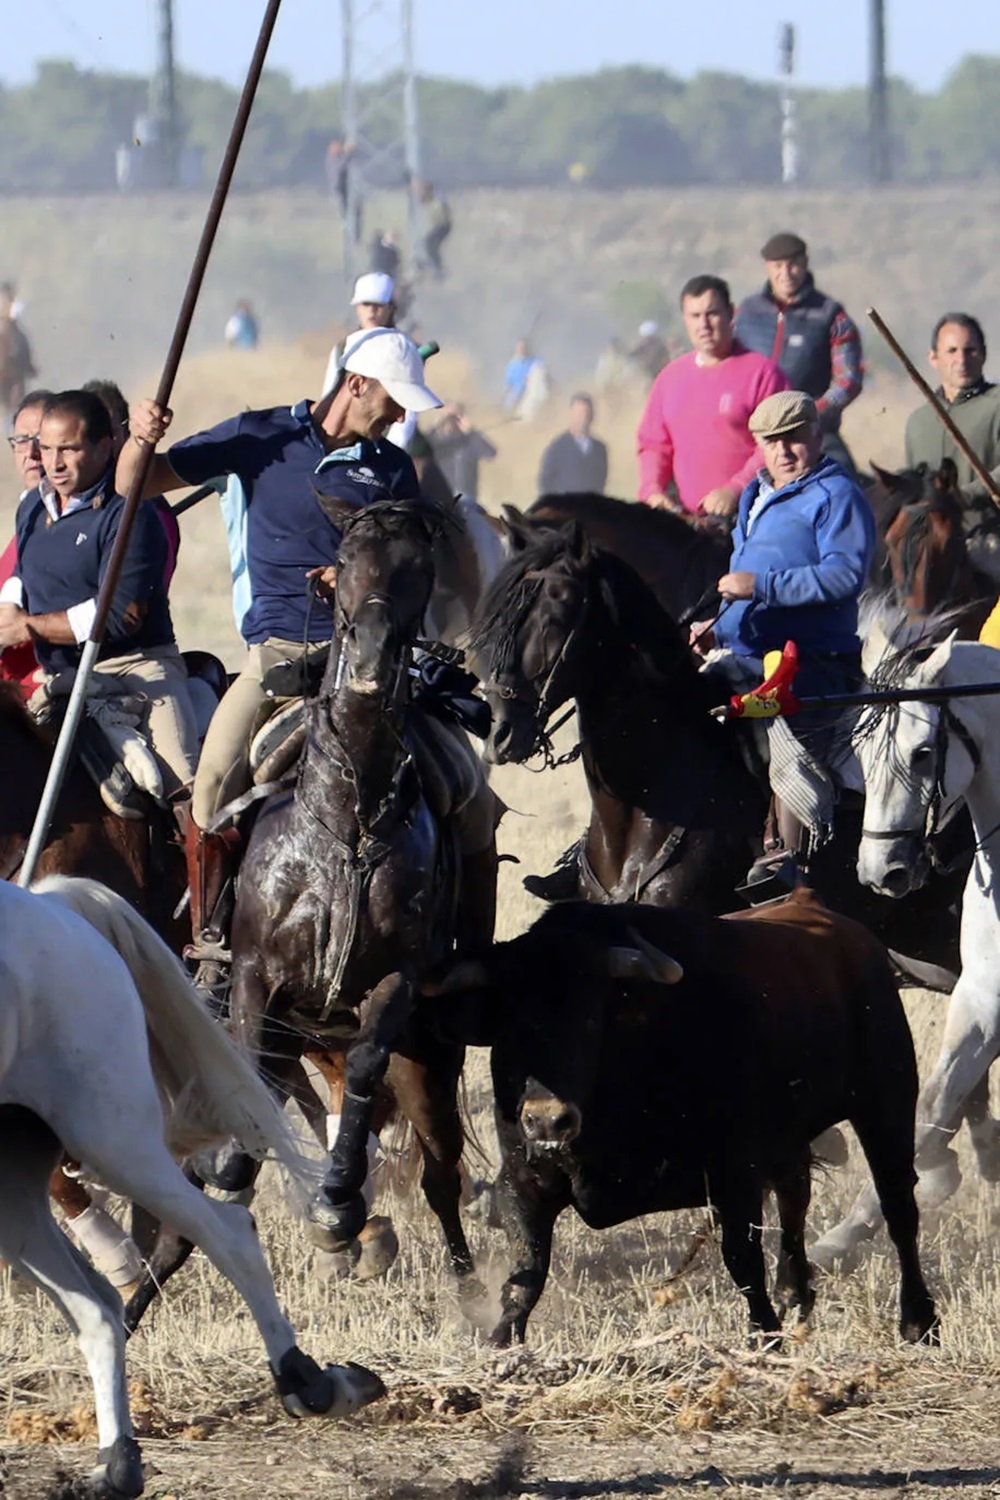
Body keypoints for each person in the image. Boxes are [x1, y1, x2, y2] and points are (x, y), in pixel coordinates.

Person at [118, 327, 498, 963]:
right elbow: (139, 482)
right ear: (355, 385)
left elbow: (412, 561)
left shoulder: (393, 467)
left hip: (376, 661)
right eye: (392, 400)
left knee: (477, 798)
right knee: (210, 789)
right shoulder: (259, 437)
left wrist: (357, 576)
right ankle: (214, 943)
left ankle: (472, 961)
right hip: (279, 657)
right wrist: (139, 436)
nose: (401, 415)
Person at [690, 390, 876, 893]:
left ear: (817, 435)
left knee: (783, 732)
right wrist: (714, 630)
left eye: (794, 437)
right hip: (744, 653)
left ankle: (786, 865)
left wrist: (763, 585)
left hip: (815, 660)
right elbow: (738, 585)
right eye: (772, 441)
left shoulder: (837, 496)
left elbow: (844, 576)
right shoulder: (754, 494)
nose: (783, 450)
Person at [0, 389, 199, 813]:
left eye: (69, 449)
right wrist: (8, 610)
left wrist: (28, 627)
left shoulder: (132, 514)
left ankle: (206, 874)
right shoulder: (33, 507)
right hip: (60, 678)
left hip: (137, 670)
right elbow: (22, 572)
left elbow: (118, 616)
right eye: (46, 448)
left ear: (107, 445)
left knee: (185, 794)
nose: (53, 463)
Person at [637, 275, 788, 521]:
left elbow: (776, 443)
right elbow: (654, 445)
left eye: (712, 314)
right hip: (686, 525)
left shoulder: (762, 374)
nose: (703, 325)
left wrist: (736, 489)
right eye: (695, 316)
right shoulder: (669, 378)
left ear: (730, 313)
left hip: (754, 518)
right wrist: (652, 491)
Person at [735, 233, 863, 473]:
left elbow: (848, 380)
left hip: (813, 435)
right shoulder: (744, 315)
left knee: (846, 486)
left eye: (793, 264)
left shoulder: (831, 316)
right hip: (749, 434)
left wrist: (809, 415)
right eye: (778, 266)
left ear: (805, 264)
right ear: (767, 267)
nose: (786, 272)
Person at [904, 313, 1000, 576]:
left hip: (988, 543)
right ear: (933, 357)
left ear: (983, 355)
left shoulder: (997, 404)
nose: (961, 360)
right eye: (952, 351)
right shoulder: (918, 421)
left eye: (970, 351)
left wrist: (966, 496)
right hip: (933, 548)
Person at [1, 389, 53, 696]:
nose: (31, 452)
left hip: (39, 681)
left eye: (40, 439)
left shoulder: (74, 520)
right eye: (21, 440)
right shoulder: (27, 513)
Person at [538, 394, 609, 495]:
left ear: (592, 416)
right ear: (571, 414)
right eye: (578, 414)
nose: (582, 418)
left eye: (586, 413)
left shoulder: (599, 449)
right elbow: (545, 483)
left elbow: (601, 481)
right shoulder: (557, 448)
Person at [430, 403, 497, 501]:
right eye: (449, 418)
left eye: (456, 418)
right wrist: (438, 425)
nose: (452, 422)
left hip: (465, 497)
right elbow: (424, 448)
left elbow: (490, 453)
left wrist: (471, 431)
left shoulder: (469, 440)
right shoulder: (435, 440)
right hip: (440, 494)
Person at [503, 338, 549, 420]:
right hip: (516, 398)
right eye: (519, 348)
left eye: (523, 347)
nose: (521, 350)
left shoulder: (535, 362)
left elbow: (539, 376)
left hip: (531, 397)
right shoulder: (512, 365)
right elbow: (509, 385)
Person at [415, 179, 451, 279]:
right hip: (439, 225)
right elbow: (420, 195)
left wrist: (433, 189)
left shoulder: (437, 200)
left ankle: (437, 266)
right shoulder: (426, 201)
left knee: (429, 242)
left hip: (443, 224)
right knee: (430, 244)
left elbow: (441, 199)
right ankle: (435, 264)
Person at [628, 320, 670, 386]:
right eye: (648, 339)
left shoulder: (661, 346)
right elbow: (631, 355)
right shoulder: (642, 346)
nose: (649, 341)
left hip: (659, 372)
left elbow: (666, 359)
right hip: (646, 373)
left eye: (652, 339)